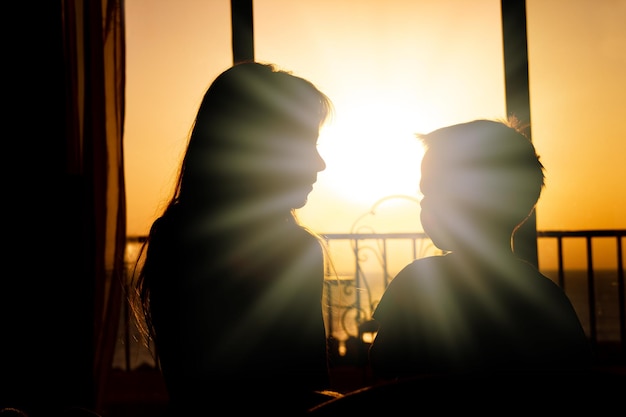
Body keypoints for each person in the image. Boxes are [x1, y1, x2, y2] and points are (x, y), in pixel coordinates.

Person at [130, 62, 335, 414]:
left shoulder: (172, 235)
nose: (320, 163)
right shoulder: (294, 251)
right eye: (306, 144)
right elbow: (306, 390)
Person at [368, 118, 593, 383]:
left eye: (432, 191)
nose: (424, 204)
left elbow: (382, 367)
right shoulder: (546, 296)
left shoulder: (418, 281)